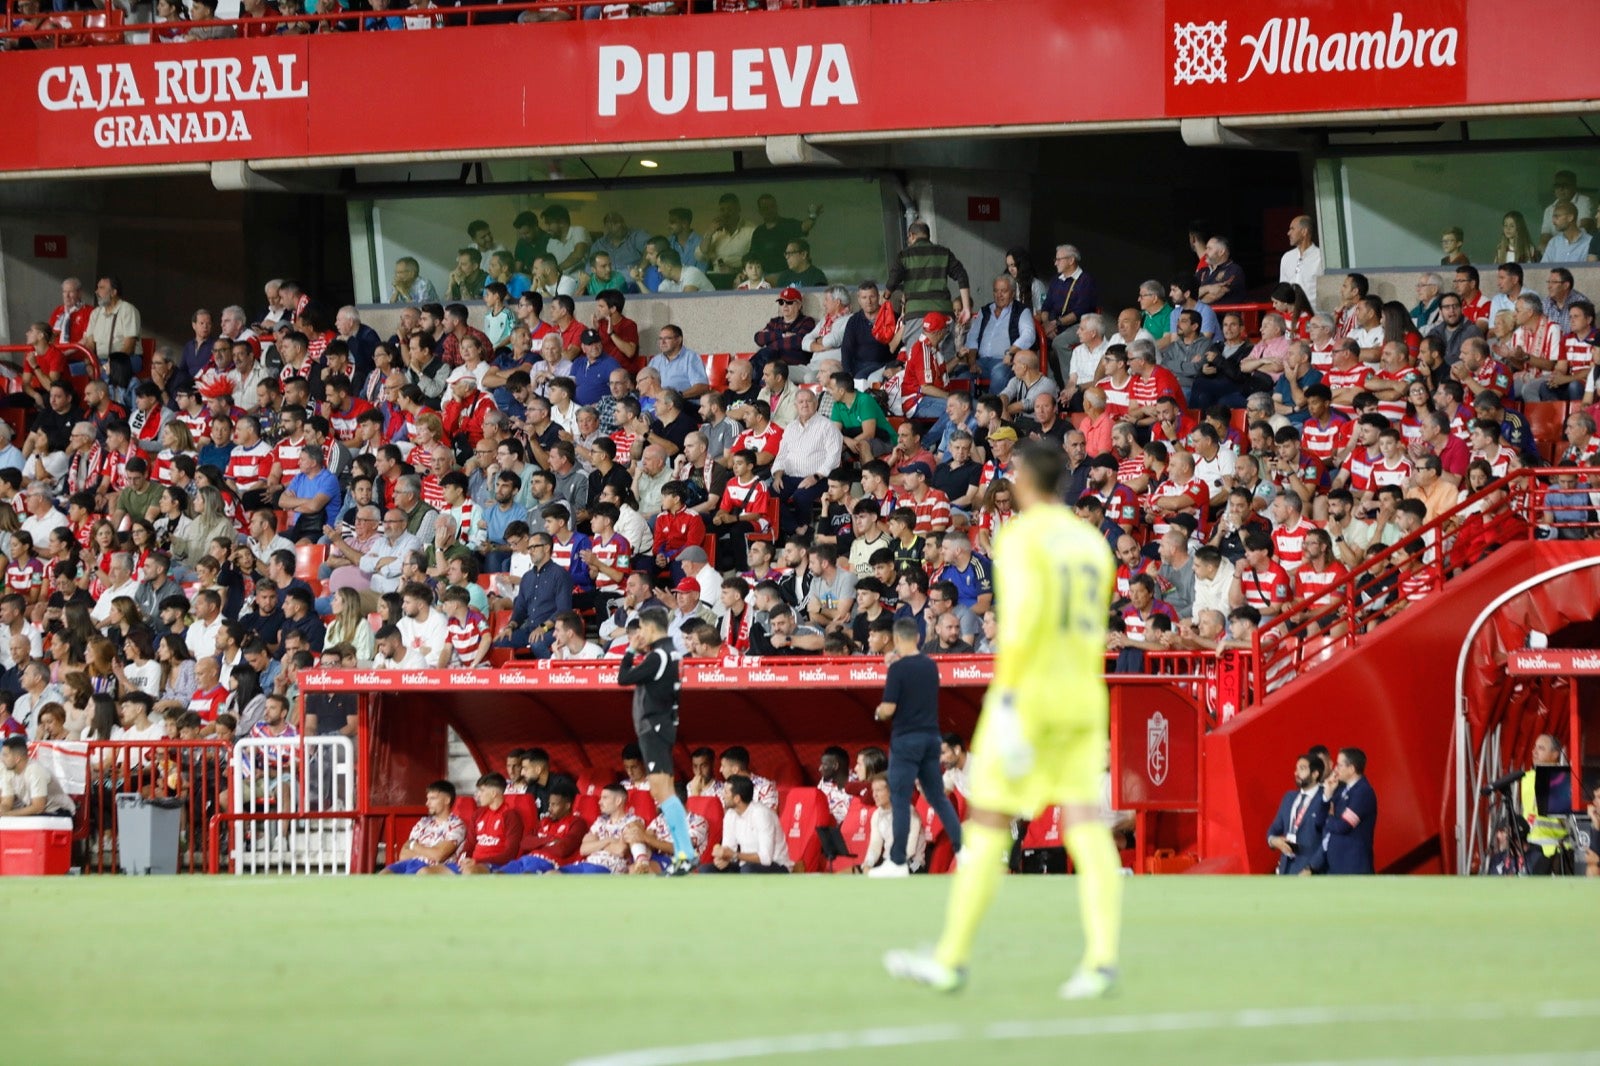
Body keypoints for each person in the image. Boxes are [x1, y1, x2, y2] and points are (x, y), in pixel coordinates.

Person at [886, 441, 1120, 999]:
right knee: (1086, 822)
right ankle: (1103, 959)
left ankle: (951, 958)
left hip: (1030, 694)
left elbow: (1023, 624)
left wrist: (1012, 705)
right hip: (1083, 696)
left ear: (1022, 480)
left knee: (989, 822)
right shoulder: (1092, 544)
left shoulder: (1019, 538)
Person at [870, 617, 962, 877]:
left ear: (896, 640)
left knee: (899, 799)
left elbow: (888, 709)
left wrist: (878, 713)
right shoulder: (930, 666)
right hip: (931, 739)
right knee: (937, 798)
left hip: (905, 741)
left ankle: (897, 862)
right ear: (918, 638)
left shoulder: (898, 670)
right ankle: (963, 851)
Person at [615, 605, 698, 875]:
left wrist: (630, 649)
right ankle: (684, 853)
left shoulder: (659, 655)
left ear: (649, 628)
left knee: (664, 792)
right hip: (658, 727)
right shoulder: (668, 654)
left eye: (640, 629)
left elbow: (623, 678)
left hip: (656, 728)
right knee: (661, 792)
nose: (638, 634)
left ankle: (685, 853)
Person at [702, 774, 790, 874]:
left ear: (737, 798)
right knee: (706, 870)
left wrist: (733, 855)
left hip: (777, 866)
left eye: (726, 792)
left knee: (748, 869)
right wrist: (723, 858)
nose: (723, 796)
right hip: (744, 864)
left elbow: (766, 858)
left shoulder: (761, 814)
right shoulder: (730, 815)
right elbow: (729, 848)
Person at [1265, 752, 1326, 875]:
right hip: (1286, 868)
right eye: (1296, 769)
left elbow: (1328, 840)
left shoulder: (1325, 799)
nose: (1296, 773)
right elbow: (1274, 828)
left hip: (1311, 871)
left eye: (1302, 769)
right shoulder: (1289, 797)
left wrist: (1312, 867)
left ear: (1315, 774)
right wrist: (1273, 840)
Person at [1519, 733, 1570, 875]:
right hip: (1532, 847)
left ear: (1555, 754)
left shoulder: (1563, 779)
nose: (1534, 752)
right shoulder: (1526, 778)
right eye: (1535, 747)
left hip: (1560, 850)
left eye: (1541, 748)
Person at [1321, 747, 1377, 875]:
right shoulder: (1340, 790)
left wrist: (1328, 817)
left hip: (1353, 867)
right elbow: (1318, 820)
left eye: (1340, 765)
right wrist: (1327, 795)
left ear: (1351, 769)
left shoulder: (1363, 792)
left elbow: (1343, 826)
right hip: (1335, 866)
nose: (1335, 769)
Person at [0, 734, 74, 816]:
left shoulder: (35, 770)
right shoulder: (9, 771)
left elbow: (38, 807)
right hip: (40, 814)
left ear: (17, 758)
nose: (2, 759)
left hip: (59, 811)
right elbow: (7, 802)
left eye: (5, 755)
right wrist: (3, 811)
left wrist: (8, 814)